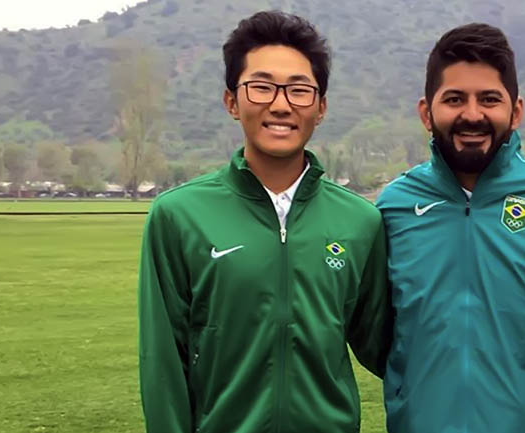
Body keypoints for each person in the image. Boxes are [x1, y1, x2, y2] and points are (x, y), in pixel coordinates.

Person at [138, 12, 390, 433]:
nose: (280, 105)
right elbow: (162, 361)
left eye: (299, 90)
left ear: (321, 107)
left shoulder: (361, 221)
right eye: (261, 87)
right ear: (231, 102)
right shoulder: (178, 215)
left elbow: (389, 348)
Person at [375, 23, 525, 433]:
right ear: (426, 112)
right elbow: (374, 330)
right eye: (454, 99)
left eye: (490, 99)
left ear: (516, 111)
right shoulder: (394, 207)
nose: (473, 115)